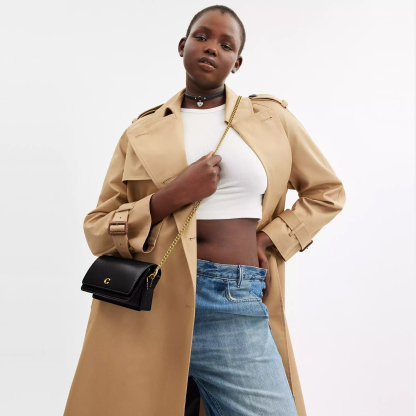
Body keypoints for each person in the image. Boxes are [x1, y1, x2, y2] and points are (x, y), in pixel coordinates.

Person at [63, 6, 346, 416]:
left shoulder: (272, 119)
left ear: (237, 62)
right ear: (183, 46)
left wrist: (268, 240)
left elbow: (326, 191)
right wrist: (171, 196)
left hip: (233, 297)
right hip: (151, 301)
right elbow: (97, 229)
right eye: (201, 37)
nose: (212, 47)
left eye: (226, 44)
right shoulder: (140, 132)